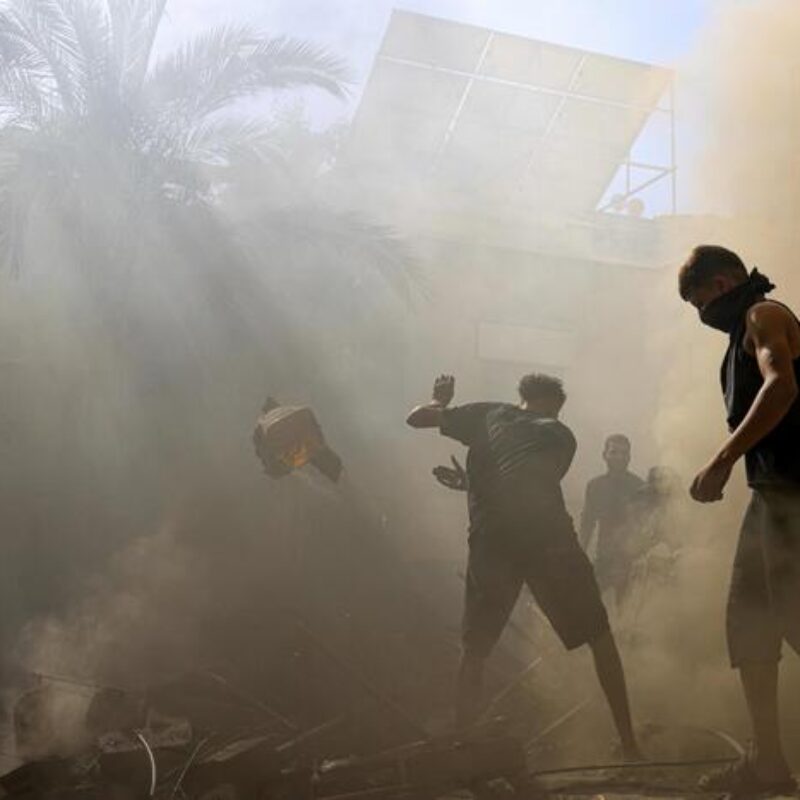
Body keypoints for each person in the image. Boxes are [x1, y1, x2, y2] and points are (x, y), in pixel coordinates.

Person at [406, 373, 641, 758]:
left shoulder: (488, 414)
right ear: (553, 405)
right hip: (548, 538)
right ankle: (629, 743)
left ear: (522, 397)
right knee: (600, 636)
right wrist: (474, 483)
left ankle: (462, 746)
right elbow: (527, 483)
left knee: (474, 649)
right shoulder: (560, 435)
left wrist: (439, 402)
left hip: (493, 541)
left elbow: (416, 418)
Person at [679, 244, 800, 795]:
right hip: (770, 495)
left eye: (699, 300)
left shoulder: (763, 315)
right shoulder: (737, 338)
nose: (699, 313)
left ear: (724, 284)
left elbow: (782, 387)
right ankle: (768, 762)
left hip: (794, 494)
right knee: (748, 622)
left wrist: (721, 461)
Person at [579, 436, 644, 608]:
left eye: (624, 453)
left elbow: (647, 526)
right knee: (587, 605)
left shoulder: (638, 487)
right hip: (604, 559)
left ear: (629, 457)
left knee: (629, 615)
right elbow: (587, 524)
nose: (619, 457)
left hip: (631, 562)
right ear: (604, 455)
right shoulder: (595, 486)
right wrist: (579, 558)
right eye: (614, 452)